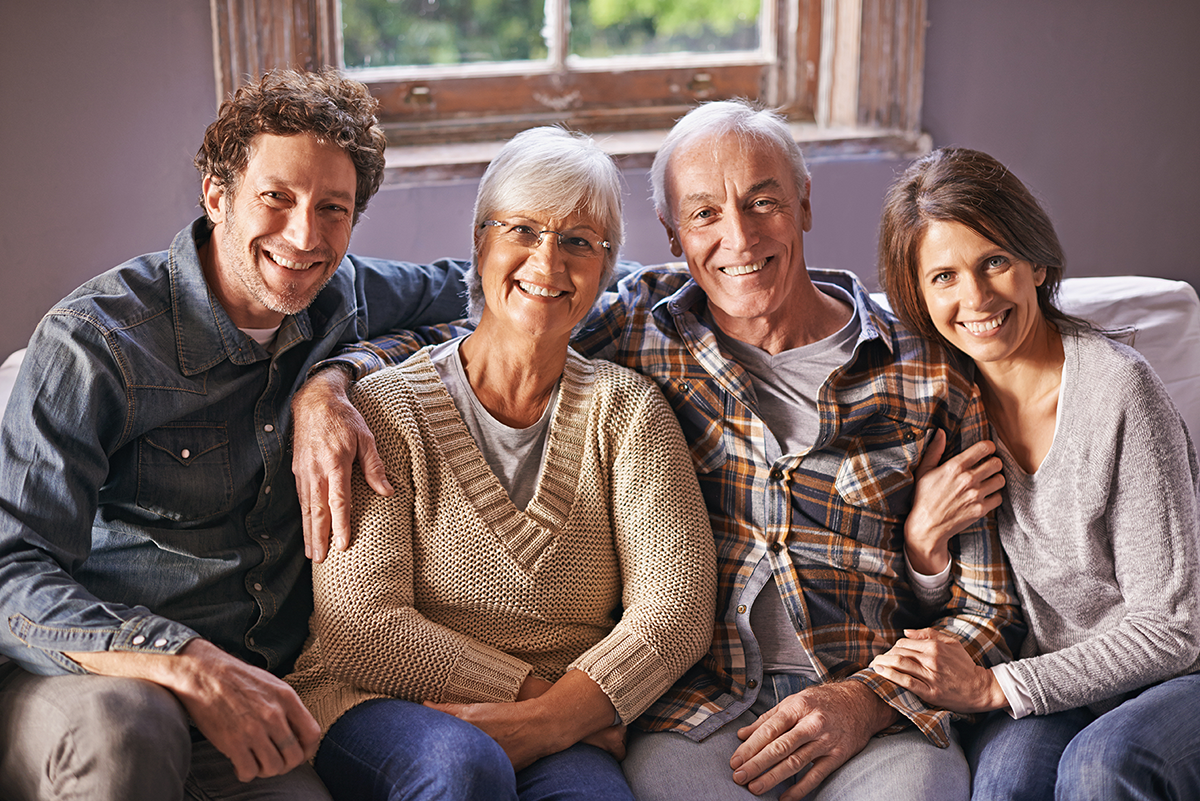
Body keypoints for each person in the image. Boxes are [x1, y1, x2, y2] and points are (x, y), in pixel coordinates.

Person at [290, 100, 1025, 801]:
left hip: (865, 700)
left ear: (804, 202)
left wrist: (874, 687)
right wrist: (329, 383)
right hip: (706, 707)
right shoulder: (648, 330)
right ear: (674, 235)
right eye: (705, 212)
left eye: (763, 202)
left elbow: (990, 609)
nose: (737, 238)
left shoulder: (929, 368)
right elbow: (493, 331)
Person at [0, 69, 467, 800]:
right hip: (93, 682)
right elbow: (11, 575)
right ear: (217, 197)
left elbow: (504, 291)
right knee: (132, 727)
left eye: (333, 209)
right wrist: (179, 657)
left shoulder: (341, 297)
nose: (304, 235)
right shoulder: (94, 342)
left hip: (254, 701)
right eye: (276, 198)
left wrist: (334, 375)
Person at [284, 125, 716, 801]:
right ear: (481, 243)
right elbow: (359, 630)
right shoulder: (384, 410)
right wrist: (545, 703)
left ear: (606, 270)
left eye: (579, 241)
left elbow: (676, 608)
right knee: (462, 769)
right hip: (376, 700)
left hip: (563, 719)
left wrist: (546, 721)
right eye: (522, 230)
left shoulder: (629, 411)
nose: (548, 261)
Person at [869, 146, 1200, 800]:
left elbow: (1174, 630)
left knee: (1101, 765)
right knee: (1005, 779)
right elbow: (965, 602)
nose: (976, 297)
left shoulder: (1119, 391)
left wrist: (997, 686)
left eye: (994, 261)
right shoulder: (944, 407)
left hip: (1173, 677)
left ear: (1036, 263)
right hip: (1056, 676)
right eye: (945, 276)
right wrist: (923, 544)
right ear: (918, 292)